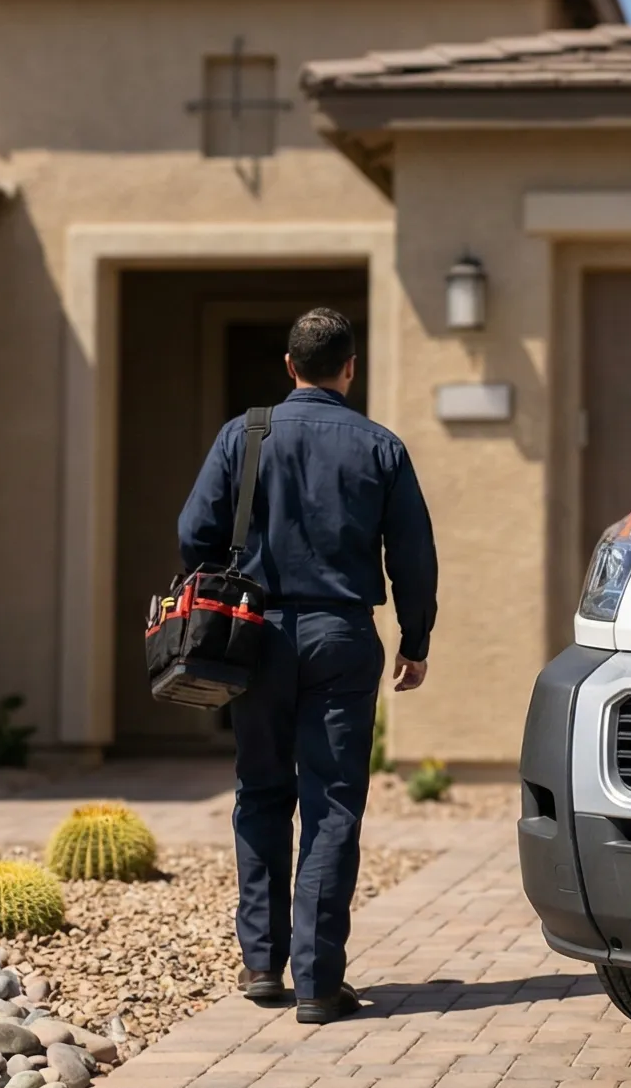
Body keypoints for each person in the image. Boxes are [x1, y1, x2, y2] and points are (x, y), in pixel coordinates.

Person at [177, 307, 436, 1024]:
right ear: (349, 369)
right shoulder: (381, 446)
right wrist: (416, 638)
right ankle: (320, 982)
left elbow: (193, 533)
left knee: (260, 791)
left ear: (289, 367)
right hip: (344, 636)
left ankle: (262, 965)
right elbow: (412, 554)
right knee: (333, 802)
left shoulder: (245, 434)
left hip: (254, 635)